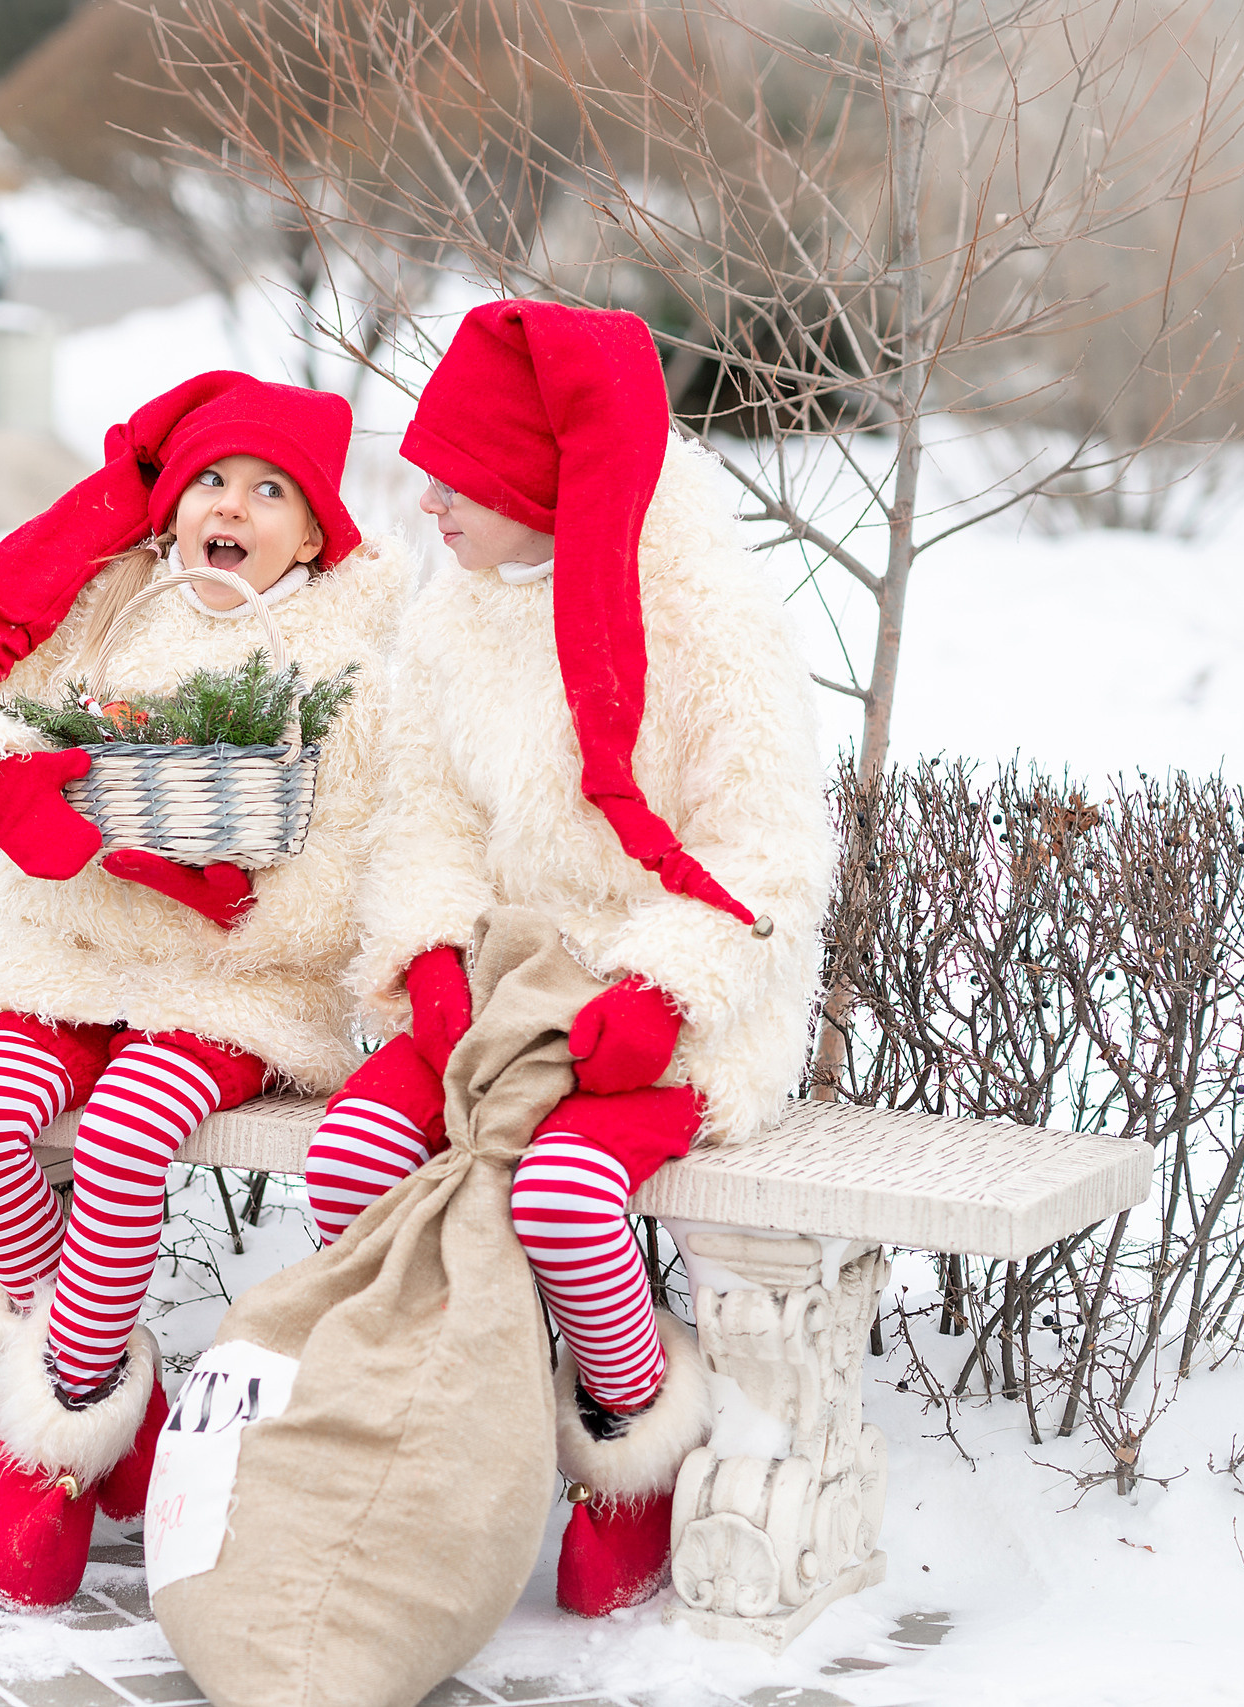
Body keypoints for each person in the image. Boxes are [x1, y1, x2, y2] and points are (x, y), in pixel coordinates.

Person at [302, 301, 831, 1617]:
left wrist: (665, 987)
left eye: (459, 477)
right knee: (351, 1162)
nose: (428, 504)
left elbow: (767, 851)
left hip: (676, 1001)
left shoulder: (704, 613)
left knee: (562, 1195)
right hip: (506, 992)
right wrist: (431, 953)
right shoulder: (455, 615)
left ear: (543, 479)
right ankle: (448, 1419)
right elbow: (426, 813)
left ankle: (627, 1427)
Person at [0, 373, 402, 1610]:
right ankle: (109, 1386)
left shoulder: (343, 665)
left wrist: (231, 897)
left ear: (313, 536)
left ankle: (55, 1445)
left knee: (120, 1140)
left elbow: (347, 868)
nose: (232, 507)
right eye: (211, 479)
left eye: (270, 493)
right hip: (68, 956)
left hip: (228, 985)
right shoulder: (106, 608)